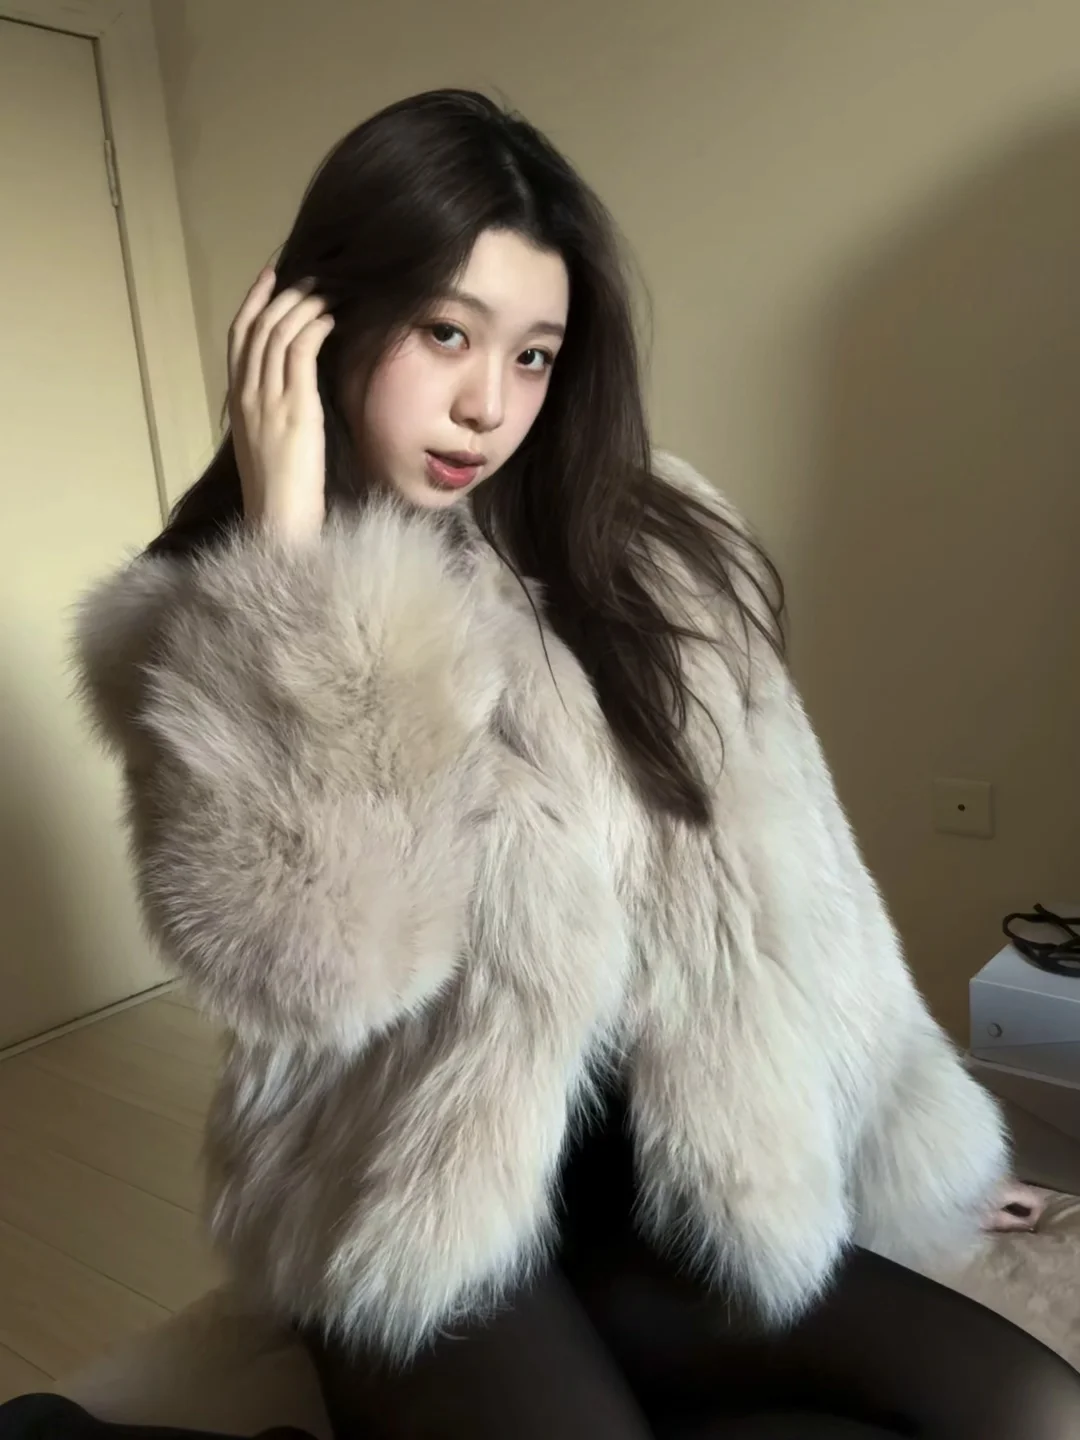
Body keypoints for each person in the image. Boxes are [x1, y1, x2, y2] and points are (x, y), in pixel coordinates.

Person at [38, 89, 1080, 1438]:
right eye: (445, 332)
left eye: (534, 355)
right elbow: (320, 970)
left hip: (651, 1189)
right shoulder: (201, 617)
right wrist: (297, 573)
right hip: (410, 1198)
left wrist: (908, 1131)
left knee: (1031, 1406)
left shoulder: (653, 547)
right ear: (319, 322)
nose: (488, 404)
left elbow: (789, 880)